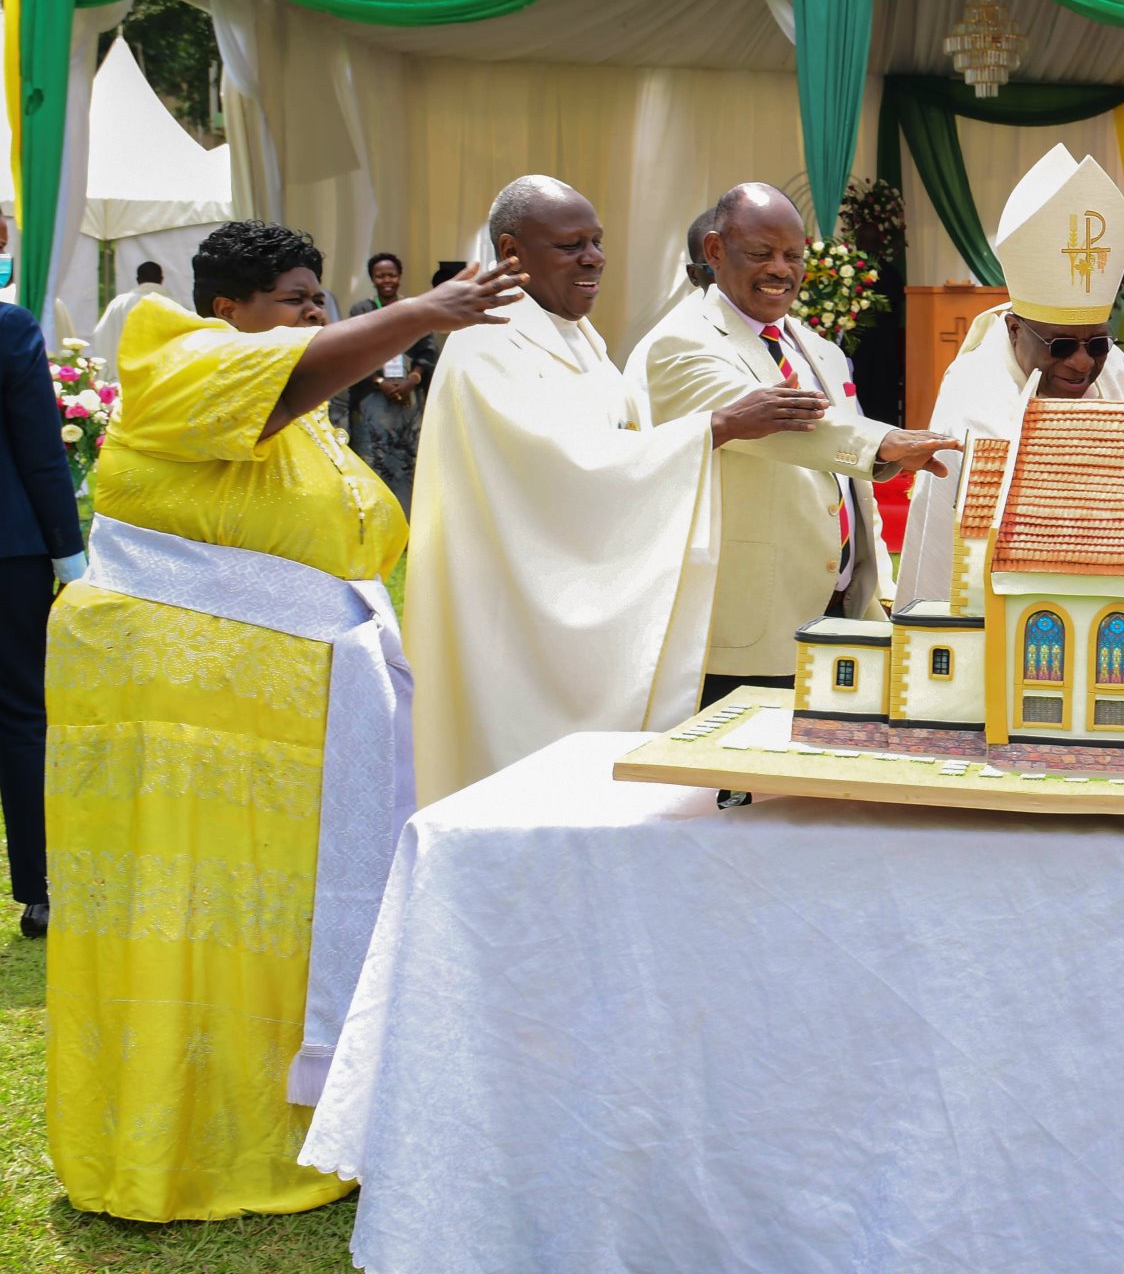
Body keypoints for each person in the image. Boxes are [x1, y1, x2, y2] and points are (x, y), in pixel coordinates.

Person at [45, 222, 522, 1220]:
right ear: (229, 309)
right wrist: (428, 309)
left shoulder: (310, 425)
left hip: (292, 723)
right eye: (298, 299)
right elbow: (286, 378)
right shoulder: (173, 355)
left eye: (320, 298)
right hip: (177, 720)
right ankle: (166, 1151)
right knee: (185, 924)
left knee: (278, 932)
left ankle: (305, 1121)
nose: (319, 315)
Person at [407, 177, 835, 803]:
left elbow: (618, 446)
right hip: (514, 621)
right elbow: (566, 473)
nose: (594, 258)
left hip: (572, 595)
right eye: (570, 244)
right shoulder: (490, 343)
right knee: (525, 788)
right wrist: (715, 428)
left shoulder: (577, 338)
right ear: (512, 251)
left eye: (598, 242)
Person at [643, 183, 958, 706]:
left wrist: (871, 570)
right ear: (716, 251)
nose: (781, 270)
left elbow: (846, 482)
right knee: (739, 783)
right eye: (761, 254)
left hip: (843, 609)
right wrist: (885, 442)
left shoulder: (817, 349)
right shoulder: (681, 342)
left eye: (793, 255)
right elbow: (780, 429)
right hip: (753, 621)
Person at [894, 145, 1124, 609]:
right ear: (1013, 329)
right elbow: (1031, 506)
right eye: (1061, 346)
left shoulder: (1115, 369)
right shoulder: (975, 393)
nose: (1083, 363)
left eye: (1097, 344)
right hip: (996, 601)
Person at [0, 213, 85, 940]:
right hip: (10, 551)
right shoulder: (9, 326)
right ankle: (41, 886)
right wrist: (71, 555)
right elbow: (39, 449)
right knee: (23, 715)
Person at [341, 252, 440, 515]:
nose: (387, 280)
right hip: (372, 398)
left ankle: (410, 521)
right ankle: (378, 520)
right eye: (381, 275)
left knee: (409, 460)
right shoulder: (361, 310)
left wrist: (412, 380)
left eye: (392, 275)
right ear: (373, 278)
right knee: (373, 459)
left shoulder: (415, 307)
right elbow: (354, 349)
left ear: (400, 277)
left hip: (409, 400)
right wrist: (380, 382)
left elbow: (427, 350)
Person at [625, 205, 723, 424]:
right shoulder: (670, 343)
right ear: (693, 275)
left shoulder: (782, 331)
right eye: (715, 267)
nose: (733, 278)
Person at [89, 259, 166, 377]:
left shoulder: (119, 303)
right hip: (162, 378)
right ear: (161, 279)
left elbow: (101, 335)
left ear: (138, 280)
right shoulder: (175, 304)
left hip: (123, 378)